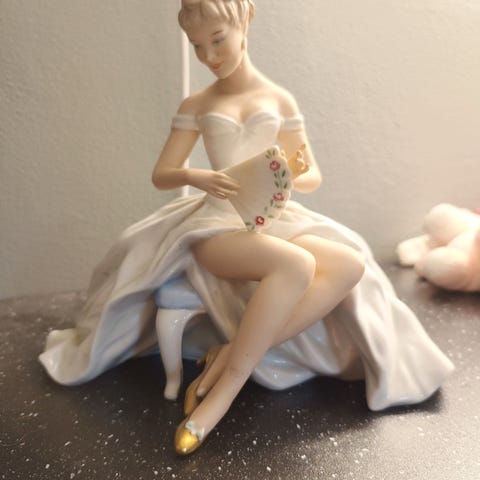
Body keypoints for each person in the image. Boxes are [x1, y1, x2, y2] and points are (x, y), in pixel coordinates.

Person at [39, 0, 454, 456]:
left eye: (217, 40)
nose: (209, 56)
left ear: (245, 23)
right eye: (198, 46)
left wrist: (288, 173)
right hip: (215, 223)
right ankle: (219, 398)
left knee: (349, 264)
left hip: (271, 215)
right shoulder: (198, 104)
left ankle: (231, 353)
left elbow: (311, 173)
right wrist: (199, 176)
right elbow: (163, 174)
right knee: (296, 265)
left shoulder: (278, 99)